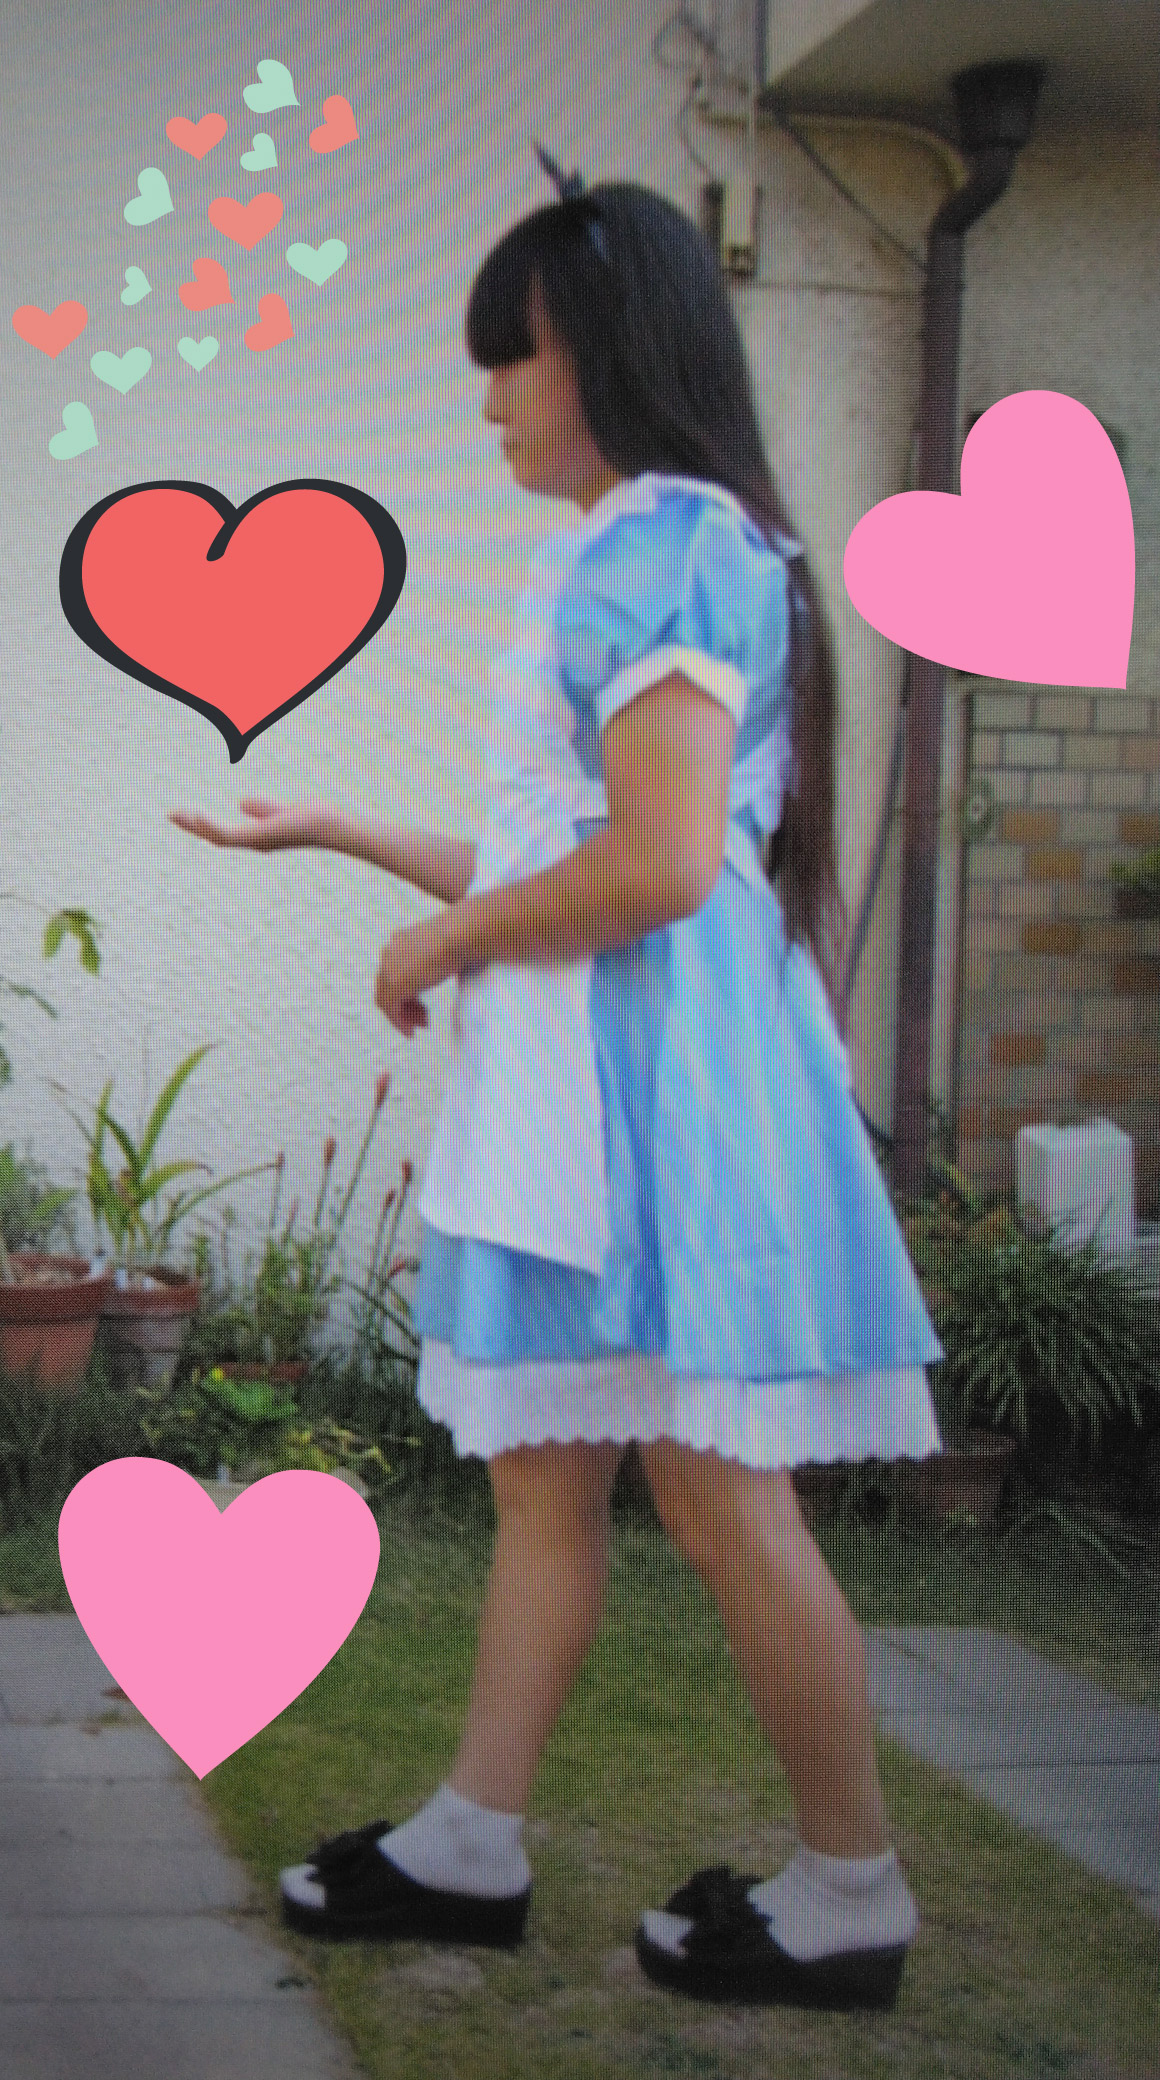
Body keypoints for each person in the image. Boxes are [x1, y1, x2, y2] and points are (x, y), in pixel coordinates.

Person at [169, 161, 945, 2012]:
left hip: (640, 1110)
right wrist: (344, 834)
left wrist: (438, 946)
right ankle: (472, 1843)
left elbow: (656, 869)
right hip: (606, 1094)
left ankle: (852, 1894)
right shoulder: (681, 548)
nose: (491, 403)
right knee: (549, 1485)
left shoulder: (657, 550)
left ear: (604, 351)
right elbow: (585, 857)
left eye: (508, 360)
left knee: (718, 1501)